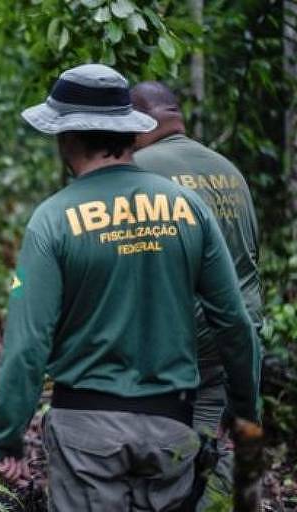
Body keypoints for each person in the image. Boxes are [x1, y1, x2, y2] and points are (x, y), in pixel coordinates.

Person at [0, 64, 261, 511]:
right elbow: (233, 320)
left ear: (67, 137)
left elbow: (28, 344)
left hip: (85, 436)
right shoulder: (187, 207)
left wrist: (7, 439)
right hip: (173, 428)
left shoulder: (52, 220)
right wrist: (247, 409)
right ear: (128, 133)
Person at [131, 81, 263, 507]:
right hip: (236, 335)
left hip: (177, 339)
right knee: (209, 440)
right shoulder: (230, 171)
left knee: (162, 459)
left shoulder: (137, 170)